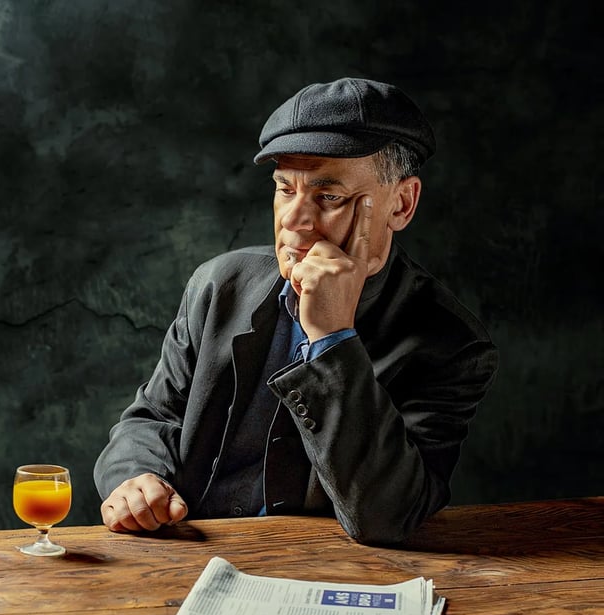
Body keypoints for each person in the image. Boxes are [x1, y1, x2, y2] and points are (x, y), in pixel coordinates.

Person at [93, 77, 499, 545]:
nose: (293, 220)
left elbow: (389, 516)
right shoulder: (219, 285)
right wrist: (137, 478)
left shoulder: (453, 344)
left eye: (328, 197)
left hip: (334, 574)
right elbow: (153, 417)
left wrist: (332, 338)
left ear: (402, 203)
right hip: (189, 558)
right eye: (286, 189)